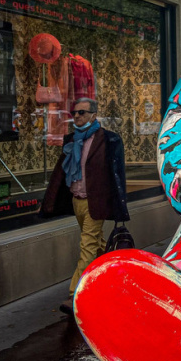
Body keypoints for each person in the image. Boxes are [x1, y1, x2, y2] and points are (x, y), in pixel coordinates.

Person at [40, 97, 129, 315]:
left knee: (87, 245)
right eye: (74, 113)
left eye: (82, 112)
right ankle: (111, 275)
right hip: (76, 200)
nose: (77, 116)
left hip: (96, 201)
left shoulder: (109, 139)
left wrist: (119, 205)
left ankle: (74, 295)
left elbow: (117, 175)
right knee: (96, 243)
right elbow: (60, 174)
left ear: (93, 115)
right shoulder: (71, 139)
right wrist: (48, 202)